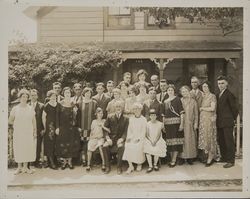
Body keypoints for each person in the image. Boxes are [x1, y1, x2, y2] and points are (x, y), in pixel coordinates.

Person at [9, 89, 37, 174]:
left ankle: (26, 168)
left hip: (28, 132)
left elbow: (34, 121)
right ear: (20, 98)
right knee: (19, 149)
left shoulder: (30, 108)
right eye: (23, 97)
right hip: (19, 132)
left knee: (27, 149)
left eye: (26, 97)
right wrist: (18, 124)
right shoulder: (15, 108)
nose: (24, 98)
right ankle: (19, 168)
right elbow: (10, 120)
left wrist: (34, 131)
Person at [55, 87, 81, 170]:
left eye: (69, 93)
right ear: (63, 93)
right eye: (66, 93)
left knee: (71, 144)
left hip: (72, 127)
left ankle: (69, 162)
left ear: (71, 94)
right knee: (63, 144)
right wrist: (57, 127)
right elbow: (57, 117)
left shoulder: (74, 104)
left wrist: (78, 126)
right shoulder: (60, 104)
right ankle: (64, 162)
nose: (67, 94)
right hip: (63, 127)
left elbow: (78, 117)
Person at [216, 75, 238, 168]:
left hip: (227, 121)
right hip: (220, 122)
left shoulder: (229, 94)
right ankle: (224, 157)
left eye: (222, 83)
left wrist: (231, 119)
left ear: (226, 84)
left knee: (229, 141)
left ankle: (231, 160)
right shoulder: (218, 94)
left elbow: (235, 109)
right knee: (221, 140)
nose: (220, 85)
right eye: (219, 84)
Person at [103, 100, 129, 174]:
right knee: (105, 146)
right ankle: (107, 166)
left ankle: (119, 167)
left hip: (120, 139)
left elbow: (126, 131)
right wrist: (107, 138)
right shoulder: (109, 116)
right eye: (117, 106)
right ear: (114, 107)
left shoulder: (126, 118)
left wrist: (122, 138)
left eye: (120, 106)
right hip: (111, 139)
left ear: (122, 107)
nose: (118, 108)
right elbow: (105, 129)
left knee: (121, 147)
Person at [198, 81, 220, 167]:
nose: (205, 88)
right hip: (203, 121)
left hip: (209, 120)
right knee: (205, 137)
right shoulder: (203, 96)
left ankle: (211, 157)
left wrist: (202, 108)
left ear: (209, 87)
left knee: (210, 137)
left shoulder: (212, 96)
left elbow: (212, 108)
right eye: (203, 87)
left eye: (206, 86)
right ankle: (206, 156)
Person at [163, 84, 184, 168]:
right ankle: (172, 158)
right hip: (168, 125)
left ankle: (174, 160)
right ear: (167, 91)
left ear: (174, 91)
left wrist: (182, 124)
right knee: (170, 143)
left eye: (171, 90)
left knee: (175, 142)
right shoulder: (165, 101)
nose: (170, 91)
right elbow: (164, 115)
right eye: (168, 90)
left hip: (176, 123)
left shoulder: (177, 99)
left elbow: (182, 113)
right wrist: (163, 125)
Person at [123, 103, 147, 174]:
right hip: (132, 136)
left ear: (140, 110)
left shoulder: (143, 119)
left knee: (138, 146)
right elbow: (129, 130)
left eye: (138, 109)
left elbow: (144, 131)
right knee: (127, 145)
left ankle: (139, 164)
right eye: (135, 109)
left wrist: (139, 138)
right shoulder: (131, 119)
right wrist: (129, 138)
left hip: (141, 138)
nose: (136, 110)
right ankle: (131, 166)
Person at [179, 86, 198, 165]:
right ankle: (182, 158)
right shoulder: (180, 101)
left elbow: (196, 114)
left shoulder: (193, 101)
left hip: (190, 123)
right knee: (182, 140)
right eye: (183, 92)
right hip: (182, 123)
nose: (184, 93)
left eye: (186, 91)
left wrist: (196, 123)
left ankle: (190, 157)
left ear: (189, 91)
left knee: (191, 140)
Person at [86, 108, 109, 172]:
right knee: (89, 146)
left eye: (102, 113)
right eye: (99, 113)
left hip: (101, 138)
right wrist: (91, 138)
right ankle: (88, 164)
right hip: (94, 138)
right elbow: (91, 131)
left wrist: (103, 126)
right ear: (96, 114)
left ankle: (103, 164)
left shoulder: (104, 121)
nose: (100, 115)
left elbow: (109, 130)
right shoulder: (94, 121)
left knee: (100, 147)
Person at [79, 87, 97, 167]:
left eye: (89, 93)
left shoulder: (94, 103)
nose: (88, 94)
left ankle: (90, 160)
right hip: (82, 127)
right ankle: (84, 160)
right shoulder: (79, 103)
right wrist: (78, 126)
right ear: (83, 93)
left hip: (91, 127)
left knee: (91, 143)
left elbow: (96, 115)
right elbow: (77, 116)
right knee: (83, 144)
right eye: (86, 92)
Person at [144, 109, 166, 173]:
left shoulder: (160, 124)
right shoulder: (147, 124)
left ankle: (155, 164)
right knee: (147, 148)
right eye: (151, 115)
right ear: (149, 116)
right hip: (150, 139)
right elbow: (147, 135)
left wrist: (155, 141)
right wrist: (151, 141)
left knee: (157, 147)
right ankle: (150, 166)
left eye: (154, 115)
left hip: (157, 139)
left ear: (156, 116)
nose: (153, 117)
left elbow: (159, 135)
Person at [42, 90, 59, 170]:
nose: (53, 97)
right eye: (52, 96)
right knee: (50, 144)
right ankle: (51, 162)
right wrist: (45, 127)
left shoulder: (58, 105)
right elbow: (43, 117)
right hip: (49, 127)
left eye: (55, 96)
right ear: (49, 97)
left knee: (56, 143)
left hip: (57, 126)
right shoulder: (46, 106)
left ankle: (53, 161)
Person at [190, 76, 204, 163]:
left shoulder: (202, 93)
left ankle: (201, 155)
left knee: (200, 136)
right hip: (191, 118)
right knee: (192, 136)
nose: (194, 84)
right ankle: (193, 155)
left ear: (198, 83)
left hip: (201, 117)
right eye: (192, 82)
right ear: (190, 83)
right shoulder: (188, 93)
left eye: (195, 82)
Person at [29, 89, 44, 168]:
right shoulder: (27, 105)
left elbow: (43, 118)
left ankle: (37, 161)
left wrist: (43, 129)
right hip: (28, 129)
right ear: (30, 96)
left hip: (38, 129)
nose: (33, 97)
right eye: (32, 95)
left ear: (37, 96)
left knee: (38, 146)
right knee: (28, 145)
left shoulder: (41, 106)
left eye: (35, 95)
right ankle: (29, 162)